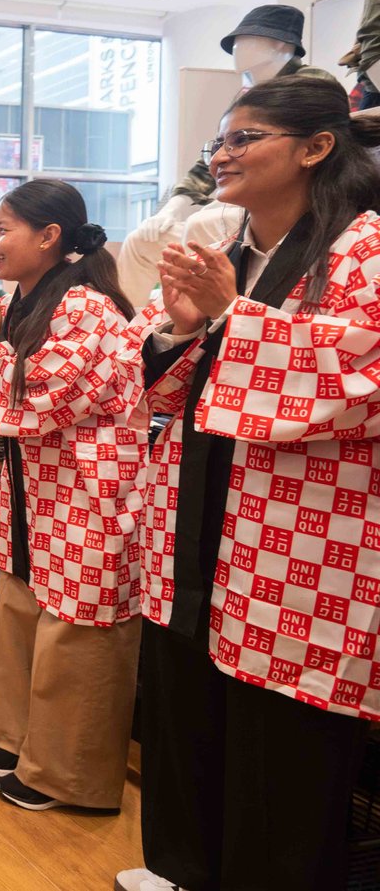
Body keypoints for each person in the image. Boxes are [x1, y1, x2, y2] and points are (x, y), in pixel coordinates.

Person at [116, 74, 380, 891]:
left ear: (314, 146)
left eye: (242, 139)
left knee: (280, 754)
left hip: (303, 544)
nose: (221, 156)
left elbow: (357, 372)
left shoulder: (365, 243)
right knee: (188, 720)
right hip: (196, 522)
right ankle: (187, 869)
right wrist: (182, 327)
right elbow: (160, 382)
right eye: (218, 141)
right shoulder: (231, 249)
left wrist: (233, 319)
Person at [0, 179, 144, 814]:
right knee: (22, 612)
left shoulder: (87, 305)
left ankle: (69, 777)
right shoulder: (28, 302)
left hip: (88, 492)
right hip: (37, 488)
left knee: (75, 635)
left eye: (4, 230)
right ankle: (23, 742)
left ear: (50, 236)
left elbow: (47, 398)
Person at [117, 5, 338, 304]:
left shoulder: (311, 85)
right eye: (237, 41)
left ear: (282, 45)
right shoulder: (245, 96)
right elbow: (215, 156)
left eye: (251, 40)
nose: (238, 48)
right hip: (245, 205)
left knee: (199, 227)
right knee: (142, 241)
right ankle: (140, 325)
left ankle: (197, 310)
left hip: (295, 205)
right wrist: (172, 208)